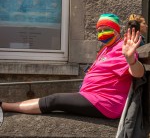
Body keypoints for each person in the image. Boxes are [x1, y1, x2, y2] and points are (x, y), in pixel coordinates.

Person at [0, 13, 145, 120]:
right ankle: (6, 105)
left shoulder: (123, 48)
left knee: (54, 100)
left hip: (105, 102)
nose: (102, 34)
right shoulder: (106, 48)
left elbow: (138, 73)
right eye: (99, 30)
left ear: (116, 30)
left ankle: (5, 106)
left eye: (106, 29)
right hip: (91, 96)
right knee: (51, 98)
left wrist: (131, 59)